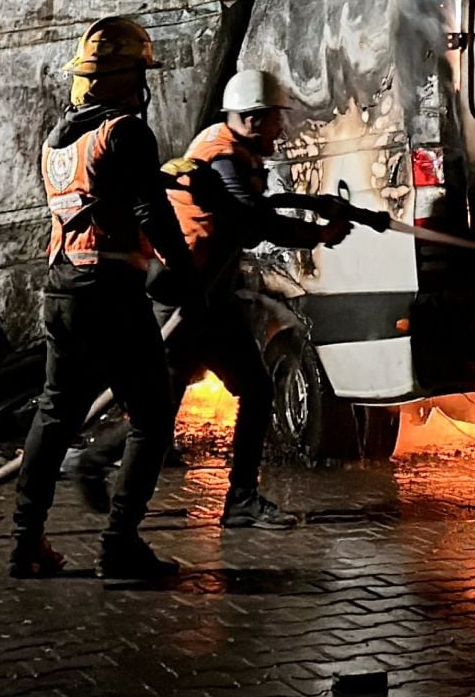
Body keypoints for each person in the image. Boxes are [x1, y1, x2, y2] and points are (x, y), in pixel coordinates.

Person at [73, 68, 352, 530]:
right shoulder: (222, 158)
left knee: (252, 390)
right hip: (183, 297)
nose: (281, 130)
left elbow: (255, 210)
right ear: (254, 120)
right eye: (276, 120)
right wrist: (318, 233)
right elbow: (253, 220)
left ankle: (241, 498)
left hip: (207, 298)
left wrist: (317, 210)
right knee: (159, 410)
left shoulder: (231, 150)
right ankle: (98, 464)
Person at [9, 17, 199, 581]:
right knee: (152, 415)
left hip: (61, 288)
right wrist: (186, 276)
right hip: (111, 291)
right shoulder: (127, 131)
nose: (143, 83)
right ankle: (120, 546)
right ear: (119, 78)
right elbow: (149, 212)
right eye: (139, 71)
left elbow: (107, 188)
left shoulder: (58, 139)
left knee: (56, 412)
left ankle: (25, 544)